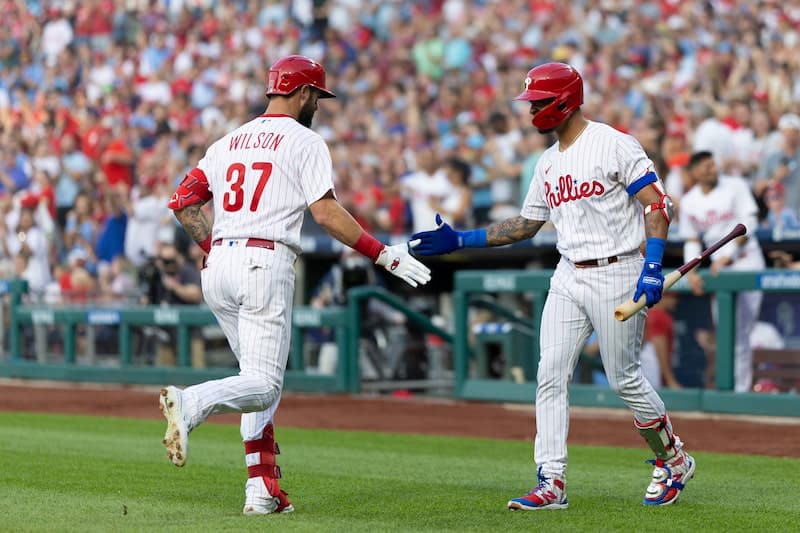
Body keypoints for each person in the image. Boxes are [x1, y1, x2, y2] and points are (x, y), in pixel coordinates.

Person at [410, 62, 695, 510]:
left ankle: (672, 458)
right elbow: (526, 225)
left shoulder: (613, 143)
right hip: (568, 273)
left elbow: (657, 204)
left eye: (538, 102)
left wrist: (654, 265)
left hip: (618, 269)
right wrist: (462, 239)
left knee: (623, 378)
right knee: (550, 373)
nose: (531, 111)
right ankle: (551, 481)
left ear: (562, 100)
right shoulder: (546, 162)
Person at [159, 55, 430, 516]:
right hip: (265, 261)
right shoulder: (305, 140)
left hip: (220, 261)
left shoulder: (228, 141)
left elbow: (183, 201)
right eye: (317, 97)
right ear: (303, 92)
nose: (318, 106)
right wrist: (383, 253)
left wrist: (210, 245)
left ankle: (261, 490)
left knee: (251, 379)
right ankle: (192, 403)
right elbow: (325, 214)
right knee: (263, 385)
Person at [679, 150, 765, 393]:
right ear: (694, 172)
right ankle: (730, 389)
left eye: (712, 164)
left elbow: (749, 224)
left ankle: (740, 390)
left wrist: (729, 256)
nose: (711, 169)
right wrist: (690, 270)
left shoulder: (735, 186)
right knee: (725, 331)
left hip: (746, 261)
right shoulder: (689, 201)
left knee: (742, 331)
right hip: (719, 269)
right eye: (705, 166)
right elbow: (692, 239)